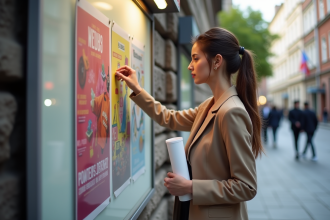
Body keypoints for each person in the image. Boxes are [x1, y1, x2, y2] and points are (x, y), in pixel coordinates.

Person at [115, 27, 263, 220]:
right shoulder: (211, 105)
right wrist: (137, 89)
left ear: (217, 61)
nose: (189, 66)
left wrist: (190, 187)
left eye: (195, 58)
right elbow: (169, 117)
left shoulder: (231, 112)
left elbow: (247, 186)